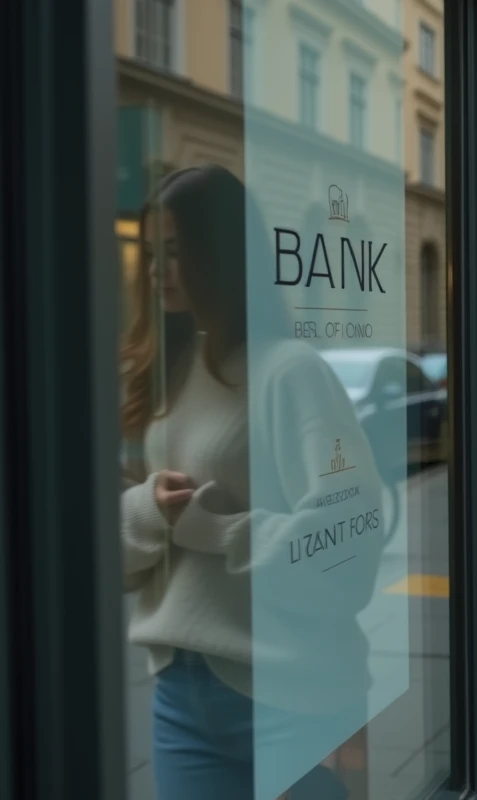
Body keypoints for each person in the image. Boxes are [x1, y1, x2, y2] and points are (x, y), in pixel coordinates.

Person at [119, 164, 383, 800]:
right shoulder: (166, 373)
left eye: (177, 251)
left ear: (221, 252)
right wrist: (148, 511)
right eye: (152, 253)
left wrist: (216, 530)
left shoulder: (289, 372)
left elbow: (350, 540)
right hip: (181, 688)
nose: (159, 270)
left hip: (290, 692)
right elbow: (126, 529)